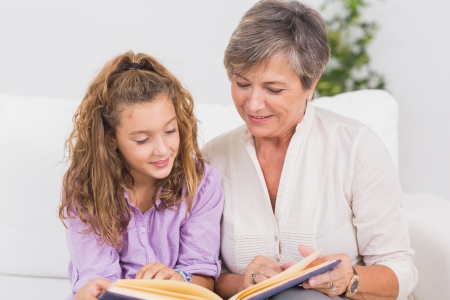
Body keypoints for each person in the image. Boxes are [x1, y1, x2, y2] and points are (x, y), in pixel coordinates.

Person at [202, 0, 418, 299]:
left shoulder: (356, 147)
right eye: (242, 83)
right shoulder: (213, 157)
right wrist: (242, 282)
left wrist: (350, 278)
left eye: (273, 89)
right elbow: (202, 271)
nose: (252, 104)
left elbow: (400, 270)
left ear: (311, 84)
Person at [59, 51, 224, 300]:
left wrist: (178, 279)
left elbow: (203, 275)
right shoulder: (85, 189)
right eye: (143, 140)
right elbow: (96, 278)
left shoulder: (201, 183)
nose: (163, 149)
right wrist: (94, 291)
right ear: (110, 139)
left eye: (170, 130)